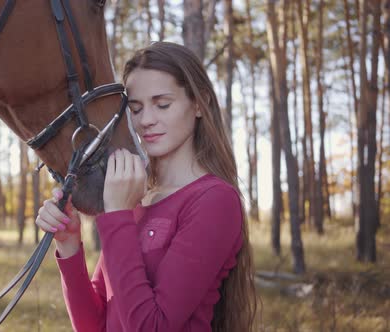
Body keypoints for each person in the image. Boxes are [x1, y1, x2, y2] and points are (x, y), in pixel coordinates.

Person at [35, 42, 257, 332]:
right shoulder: (136, 199)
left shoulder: (214, 201)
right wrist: (69, 244)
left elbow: (153, 327)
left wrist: (116, 215)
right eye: (136, 109)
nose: (146, 121)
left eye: (162, 104)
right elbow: (93, 325)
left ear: (200, 104)